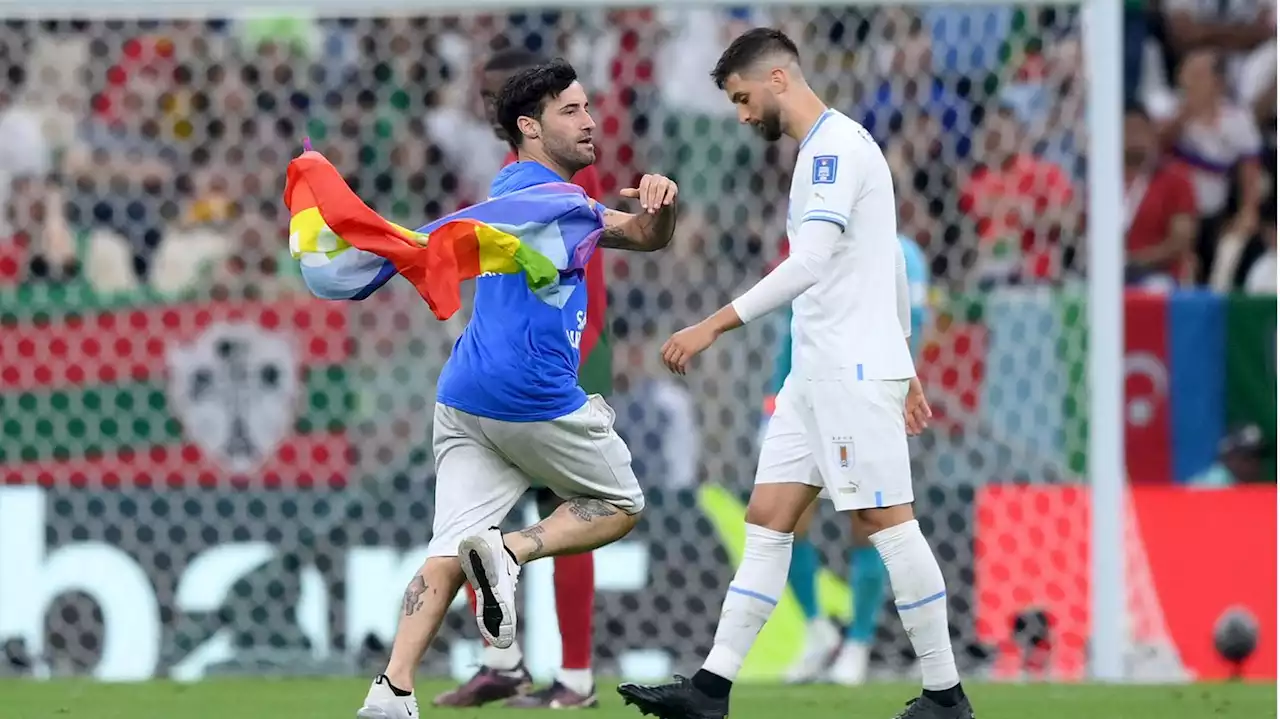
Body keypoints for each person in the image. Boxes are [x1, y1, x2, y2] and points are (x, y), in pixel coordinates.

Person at [617, 28, 974, 719]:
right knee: (769, 518)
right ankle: (710, 689)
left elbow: (810, 263)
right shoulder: (832, 148)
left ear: (778, 79)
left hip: (847, 368)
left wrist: (710, 324)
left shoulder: (834, 151)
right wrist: (905, 356)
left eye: (744, 98)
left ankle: (945, 692)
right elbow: (891, 259)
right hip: (817, 373)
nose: (744, 115)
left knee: (886, 520)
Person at [355, 59, 681, 719]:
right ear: (529, 128)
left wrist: (659, 206)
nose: (589, 121)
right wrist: (643, 219)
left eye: (588, 106)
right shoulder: (558, 201)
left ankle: (390, 690)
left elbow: (643, 233)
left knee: (448, 546)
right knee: (621, 501)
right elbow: (628, 234)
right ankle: (511, 552)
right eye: (571, 111)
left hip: (462, 398)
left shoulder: (519, 191)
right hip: (529, 395)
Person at [432, 48, 609, 711]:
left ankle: (578, 678)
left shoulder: (563, 172)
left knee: (569, 512)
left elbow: (586, 277)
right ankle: (500, 660)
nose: (489, 106)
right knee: (480, 515)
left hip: (568, 354)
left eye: (499, 94)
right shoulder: (500, 173)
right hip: (501, 357)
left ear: (531, 113)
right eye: (484, 94)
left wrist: (577, 360)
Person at [782, 233, 931, 686]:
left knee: (869, 521)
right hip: (807, 394)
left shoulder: (901, 254)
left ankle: (860, 643)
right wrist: (774, 396)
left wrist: (896, 386)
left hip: (867, 396)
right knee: (785, 517)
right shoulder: (810, 242)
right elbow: (788, 329)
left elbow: (914, 325)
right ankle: (816, 628)